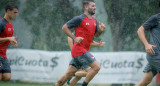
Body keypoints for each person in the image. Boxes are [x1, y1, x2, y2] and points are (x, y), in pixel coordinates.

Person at [55, 0, 106, 86]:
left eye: (95, 6)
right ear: (86, 7)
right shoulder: (79, 19)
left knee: (66, 76)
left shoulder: (94, 21)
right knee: (96, 67)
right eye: (92, 6)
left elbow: (96, 35)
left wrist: (100, 30)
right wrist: (74, 38)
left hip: (80, 52)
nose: (95, 7)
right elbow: (64, 27)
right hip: (79, 50)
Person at [136, 1, 160, 86]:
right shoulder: (156, 18)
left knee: (145, 82)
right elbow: (140, 30)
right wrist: (146, 44)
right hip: (155, 54)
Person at [0, 2, 18, 81]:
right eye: (14, 12)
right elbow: (7, 38)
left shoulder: (10, 24)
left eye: (16, 13)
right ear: (8, 11)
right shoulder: (1, 23)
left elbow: (5, 37)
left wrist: (12, 40)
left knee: (7, 77)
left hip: (3, 55)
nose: (16, 15)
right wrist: (8, 39)